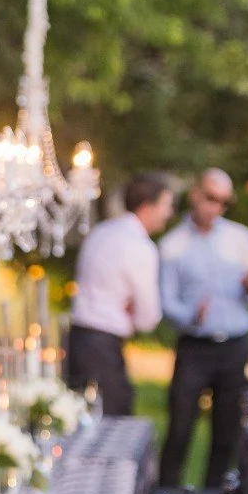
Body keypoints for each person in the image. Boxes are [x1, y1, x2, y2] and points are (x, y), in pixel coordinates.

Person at [159, 168, 248, 488]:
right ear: (195, 194)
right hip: (195, 347)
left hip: (235, 346)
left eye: (224, 202)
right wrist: (191, 316)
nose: (216, 208)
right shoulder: (173, 245)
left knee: (226, 433)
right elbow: (167, 303)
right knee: (180, 428)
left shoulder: (240, 237)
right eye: (211, 198)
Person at [67, 173, 174, 416]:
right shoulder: (139, 246)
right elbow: (148, 317)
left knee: (80, 417)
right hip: (103, 346)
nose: (169, 213)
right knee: (112, 422)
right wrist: (133, 311)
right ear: (147, 207)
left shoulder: (101, 232)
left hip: (77, 339)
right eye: (166, 206)